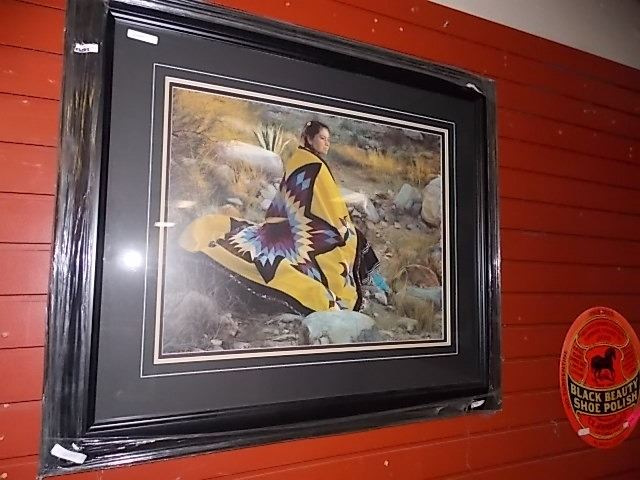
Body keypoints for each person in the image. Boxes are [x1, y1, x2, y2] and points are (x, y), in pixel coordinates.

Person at [179, 120, 379, 315]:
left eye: (328, 139)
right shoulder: (312, 165)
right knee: (345, 245)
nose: (327, 143)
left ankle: (373, 281)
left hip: (301, 229)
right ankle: (370, 283)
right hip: (298, 235)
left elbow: (319, 203)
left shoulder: (302, 160)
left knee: (352, 239)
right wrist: (337, 227)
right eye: (322, 138)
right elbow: (315, 207)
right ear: (309, 139)